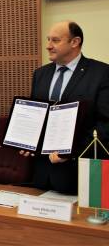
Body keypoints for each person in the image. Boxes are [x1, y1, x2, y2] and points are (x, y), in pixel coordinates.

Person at [28, 21, 109, 194]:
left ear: (75, 42)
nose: (48, 46)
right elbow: (36, 116)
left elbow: (105, 124)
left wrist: (70, 153)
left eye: (55, 40)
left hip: (80, 174)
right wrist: (28, 141)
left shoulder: (101, 73)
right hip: (42, 174)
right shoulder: (40, 74)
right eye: (48, 39)